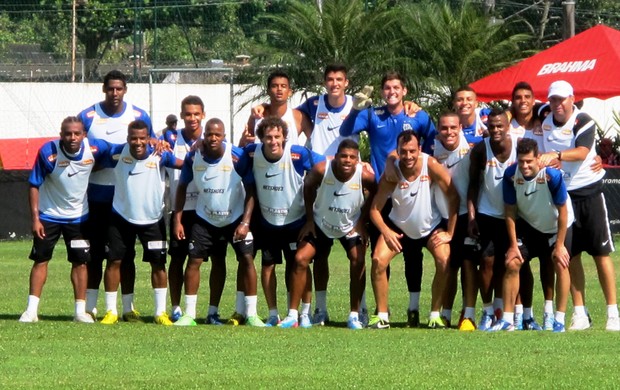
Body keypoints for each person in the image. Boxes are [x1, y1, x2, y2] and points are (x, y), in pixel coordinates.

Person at [340, 71, 437, 327]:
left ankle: (413, 308)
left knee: (412, 254)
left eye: (396, 87)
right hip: (381, 193)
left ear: (404, 91)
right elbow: (345, 130)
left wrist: (419, 169)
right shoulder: (374, 114)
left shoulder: (417, 114)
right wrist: (354, 109)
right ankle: (382, 311)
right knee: (381, 253)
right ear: (383, 91)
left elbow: (434, 140)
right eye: (387, 88)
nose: (391, 91)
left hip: (410, 192)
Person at [537, 80, 619, 331]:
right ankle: (580, 313)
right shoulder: (544, 115)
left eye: (562, 99)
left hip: (590, 193)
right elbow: (521, 108)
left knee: (600, 254)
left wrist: (557, 156)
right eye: (553, 100)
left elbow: (583, 151)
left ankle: (613, 313)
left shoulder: (583, 120)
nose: (557, 104)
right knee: (570, 257)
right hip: (563, 197)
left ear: (572, 98)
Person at [172, 118, 265, 327]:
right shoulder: (193, 156)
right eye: (209, 134)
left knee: (247, 259)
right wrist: (177, 220)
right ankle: (190, 314)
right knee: (194, 261)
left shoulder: (236, 156)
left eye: (218, 134)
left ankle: (250, 314)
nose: (213, 138)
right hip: (205, 218)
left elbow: (251, 190)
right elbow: (182, 187)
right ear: (204, 135)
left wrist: (246, 222)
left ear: (224, 136)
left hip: (235, 218)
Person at [77, 70, 154, 322]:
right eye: (110, 88)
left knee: (126, 254)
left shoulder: (139, 115)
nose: (114, 93)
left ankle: (128, 307)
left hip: (127, 199)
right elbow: (81, 155)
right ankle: (90, 306)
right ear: (103, 89)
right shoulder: (88, 117)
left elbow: (151, 148)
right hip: (97, 197)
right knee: (95, 253)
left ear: (125, 90)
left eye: (119, 88)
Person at [19, 117, 111, 323]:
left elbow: (123, 148)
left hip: (78, 219)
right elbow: (34, 184)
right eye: (67, 133)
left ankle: (80, 312)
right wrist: (35, 219)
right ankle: (31, 310)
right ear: (61, 135)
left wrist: (152, 141)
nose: (72, 137)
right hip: (49, 216)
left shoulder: (95, 149)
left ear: (84, 135)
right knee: (41, 260)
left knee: (80, 263)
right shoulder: (47, 152)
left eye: (77, 133)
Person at [368, 130, 458, 329]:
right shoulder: (392, 173)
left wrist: (450, 232)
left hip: (430, 226)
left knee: (444, 260)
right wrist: (386, 231)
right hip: (398, 227)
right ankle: (382, 315)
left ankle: (435, 315)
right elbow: (374, 210)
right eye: (403, 152)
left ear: (419, 149)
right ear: (397, 151)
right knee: (377, 260)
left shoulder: (431, 165)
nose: (408, 156)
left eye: (412, 151)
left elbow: (453, 196)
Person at [242, 116, 324, 328]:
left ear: (284, 137)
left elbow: (324, 165)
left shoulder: (298, 154)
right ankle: (272, 314)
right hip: (268, 222)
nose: (273, 141)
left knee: (299, 265)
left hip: (296, 222)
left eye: (277, 136)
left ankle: (302, 314)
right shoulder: (253, 153)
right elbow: (232, 155)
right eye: (268, 137)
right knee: (268, 266)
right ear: (262, 139)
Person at [98, 120, 182, 325]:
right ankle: (114, 311)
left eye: (142, 138)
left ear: (148, 138)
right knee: (116, 261)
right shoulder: (116, 153)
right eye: (133, 138)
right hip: (121, 217)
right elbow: (94, 157)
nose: (138, 142)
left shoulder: (160, 154)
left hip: (153, 219)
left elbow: (183, 164)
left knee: (158, 264)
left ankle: (160, 313)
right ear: (127, 139)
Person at [289, 139, 376, 329]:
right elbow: (308, 186)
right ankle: (307, 312)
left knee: (358, 260)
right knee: (301, 258)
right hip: (321, 223)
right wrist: (310, 220)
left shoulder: (366, 176)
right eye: (343, 156)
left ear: (357, 160)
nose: (347, 160)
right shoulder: (322, 170)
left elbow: (376, 191)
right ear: (336, 157)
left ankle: (356, 313)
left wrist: (362, 221)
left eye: (352, 157)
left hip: (350, 225)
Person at [488, 138, 573, 332]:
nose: (525, 166)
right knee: (512, 262)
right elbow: (509, 212)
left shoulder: (551, 176)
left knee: (561, 263)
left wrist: (559, 245)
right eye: (521, 161)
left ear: (538, 159)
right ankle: (508, 320)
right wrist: (513, 245)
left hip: (557, 226)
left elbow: (563, 212)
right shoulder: (510, 175)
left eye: (529, 161)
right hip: (530, 225)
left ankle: (558, 319)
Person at [162, 96, 228, 325]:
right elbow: (159, 154)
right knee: (178, 258)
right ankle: (177, 308)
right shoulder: (169, 138)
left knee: (218, 259)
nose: (192, 118)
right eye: (187, 114)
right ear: (181, 115)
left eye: (196, 114)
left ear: (203, 114)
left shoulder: (210, 139)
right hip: (181, 209)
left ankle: (212, 311)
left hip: (206, 209)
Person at [468, 108, 524, 330]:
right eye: (492, 126)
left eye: (500, 126)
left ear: (508, 126)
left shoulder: (519, 146)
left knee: (515, 263)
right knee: (487, 262)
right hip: (487, 212)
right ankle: (488, 311)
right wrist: (472, 217)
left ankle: (519, 314)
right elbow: (473, 185)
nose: (496, 130)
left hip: (515, 215)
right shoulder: (481, 149)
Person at [432, 112, 479, 331]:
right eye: (444, 128)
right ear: (438, 130)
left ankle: (468, 315)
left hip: (465, 216)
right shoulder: (431, 149)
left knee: (469, 264)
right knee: (449, 265)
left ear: (460, 127)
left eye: (453, 128)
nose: (449, 132)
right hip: (441, 216)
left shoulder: (472, 147)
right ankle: (446, 314)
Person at [239, 70, 311, 147]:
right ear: (268, 91)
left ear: (290, 92)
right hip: (260, 159)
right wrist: (243, 141)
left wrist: (304, 156)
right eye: (274, 86)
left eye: (283, 86)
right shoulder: (257, 115)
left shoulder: (299, 117)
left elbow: (315, 142)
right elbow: (242, 146)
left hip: (290, 159)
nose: (279, 89)